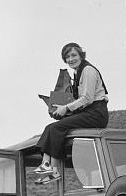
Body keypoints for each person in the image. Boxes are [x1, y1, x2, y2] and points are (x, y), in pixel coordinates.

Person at [33, 42, 109, 184]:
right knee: (53, 127)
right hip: (88, 111)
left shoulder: (88, 70)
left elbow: (87, 98)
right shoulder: (77, 72)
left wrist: (66, 108)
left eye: (73, 55)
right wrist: (60, 108)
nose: (70, 59)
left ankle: (51, 169)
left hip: (96, 113)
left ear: (81, 55)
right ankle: (48, 167)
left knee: (55, 128)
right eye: (67, 57)